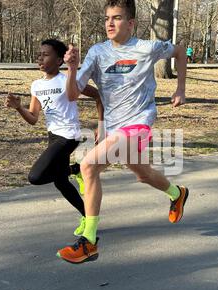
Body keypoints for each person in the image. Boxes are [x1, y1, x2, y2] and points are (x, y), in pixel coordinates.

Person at [56, 0, 189, 264]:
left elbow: (181, 51)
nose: (110, 23)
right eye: (107, 18)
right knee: (144, 175)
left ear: (131, 23)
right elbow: (72, 94)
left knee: (89, 166)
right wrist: (71, 68)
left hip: (139, 122)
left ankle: (89, 241)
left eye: (117, 18)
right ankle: (178, 194)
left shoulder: (147, 47)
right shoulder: (97, 53)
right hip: (115, 128)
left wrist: (180, 89)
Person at [4, 39, 104, 237]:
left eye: (46, 54)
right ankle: (87, 216)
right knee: (61, 182)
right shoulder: (36, 85)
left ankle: (75, 169)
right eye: (39, 53)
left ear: (59, 60)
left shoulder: (68, 80)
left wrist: (102, 125)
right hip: (53, 136)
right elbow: (33, 118)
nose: (40, 57)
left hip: (69, 136)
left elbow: (98, 96)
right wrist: (18, 108)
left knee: (35, 177)